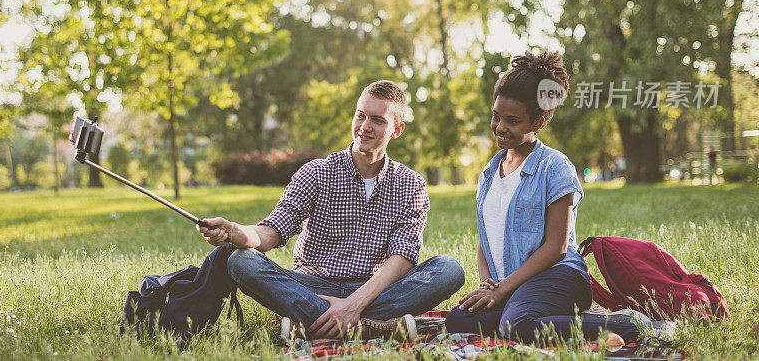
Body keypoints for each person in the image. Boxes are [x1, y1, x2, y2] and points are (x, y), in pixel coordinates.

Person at [197, 80, 464, 341]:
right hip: (311, 286)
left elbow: (403, 257)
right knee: (241, 261)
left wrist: (355, 303)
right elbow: (272, 231)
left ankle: (312, 323)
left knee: (449, 269)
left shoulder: (411, 184)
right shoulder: (316, 172)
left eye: (378, 120)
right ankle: (369, 327)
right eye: (360, 116)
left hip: (373, 287)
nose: (364, 127)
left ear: (397, 129)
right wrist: (236, 232)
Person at [445, 52, 638, 343]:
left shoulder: (555, 167)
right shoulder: (488, 173)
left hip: (559, 278)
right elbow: (486, 239)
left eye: (512, 121)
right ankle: (550, 320)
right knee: (459, 320)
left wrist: (502, 289)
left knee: (515, 326)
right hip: (513, 287)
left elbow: (557, 248)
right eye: (496, 116)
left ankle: (624, 326)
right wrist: (488, 284)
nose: (500, 127)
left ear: (537, 123)